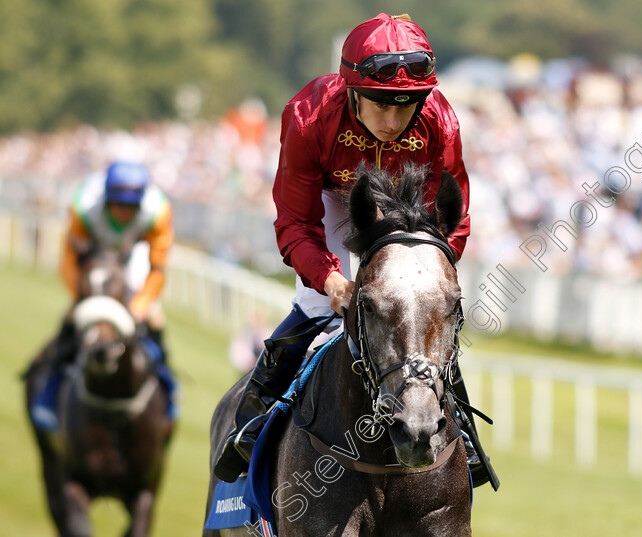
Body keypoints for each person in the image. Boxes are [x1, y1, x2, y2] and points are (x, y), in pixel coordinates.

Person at [214, 13, 496, 488]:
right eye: (381, 104)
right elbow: (295, 224)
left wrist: (428, 270)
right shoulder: (308, 115)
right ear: (351, 91)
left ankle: (459, 431)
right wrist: (332, 282)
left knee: (417, 310)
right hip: (332, 199)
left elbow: (455, 217)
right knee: (315, 305)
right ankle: (254, 412)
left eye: (406, 107)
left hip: (404, 209)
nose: (393, 121)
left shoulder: (439, 120)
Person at [29, 161, 174, 430]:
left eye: (130, 207)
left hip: (134, 259)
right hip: (94, 258)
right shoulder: (83, 206)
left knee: (155, 322)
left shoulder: (159, 212)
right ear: (107, 199)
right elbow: (69, 261)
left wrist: (140, 304)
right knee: (73, 318)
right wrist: (83, 299)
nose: (123, 213)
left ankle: (168, 389)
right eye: (118, 205)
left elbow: (158, 268)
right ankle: (49, 391)